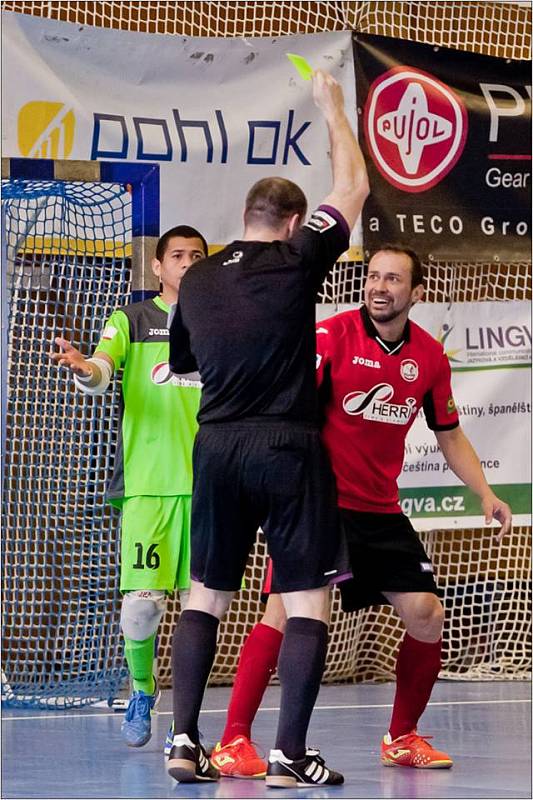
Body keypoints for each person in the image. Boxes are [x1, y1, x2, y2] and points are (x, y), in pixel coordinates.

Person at [211, 244, 513, 776]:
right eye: (373, 276)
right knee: (282, 614)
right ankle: (233, 741)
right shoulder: (332, 338)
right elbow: (288, 406)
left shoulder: (430, 357)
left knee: (426, 614)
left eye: (393, 279)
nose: (379, 286)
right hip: (317, 504)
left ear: (416, 293)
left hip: (380, 508)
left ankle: (401, 737)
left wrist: (485, 492)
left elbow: (450, 434)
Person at [165, 69, 369, 787]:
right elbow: (353, 191)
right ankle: (288, 755)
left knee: (204, 593)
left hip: (215, 448)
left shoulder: (197, 278)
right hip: (285, 446)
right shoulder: (296, 259)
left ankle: (185, 743)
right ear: (292, 223)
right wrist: (331, 108)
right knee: (308, 598)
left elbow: (185, 360)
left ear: (245, 216)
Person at [51, 225, 208, 748]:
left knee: (204, 611)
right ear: (158, 267)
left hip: (211, 487)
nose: (187, 262)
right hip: (147, 486)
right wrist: (82, 368)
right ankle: (143, 689)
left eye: (197, 256)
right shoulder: (132, 319)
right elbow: (100, 369)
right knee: (141, 605)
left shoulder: (222, 322)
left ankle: (187, 727)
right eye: (178, 255)